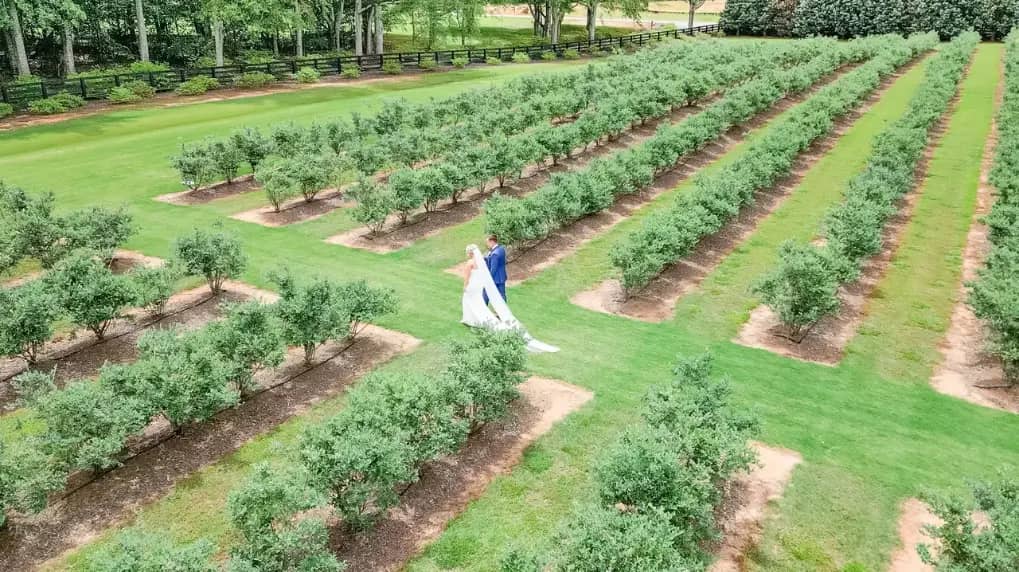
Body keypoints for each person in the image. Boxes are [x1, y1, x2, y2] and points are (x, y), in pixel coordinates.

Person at [461, 243, 558, 353]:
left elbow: (467, 277)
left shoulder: (470, 263)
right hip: (478, 286)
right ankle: (473, 319)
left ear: (470, 253)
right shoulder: (481, 262)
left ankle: (470, 319)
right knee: (478, 303)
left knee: (468, 301)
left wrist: (465, 286)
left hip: (472, 286)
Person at [483, 234, 507, 305]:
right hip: (501, 277)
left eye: (487, 242)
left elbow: (493, 269)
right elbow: (492, 260)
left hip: (495, 278)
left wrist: (488, 279)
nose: (487, 244)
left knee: (485, 293)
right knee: (502, 295)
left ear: (492, 242)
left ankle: (483, 309)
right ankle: (503, 310)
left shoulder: (494, 254)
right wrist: (485, 258)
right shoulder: (501, 249)